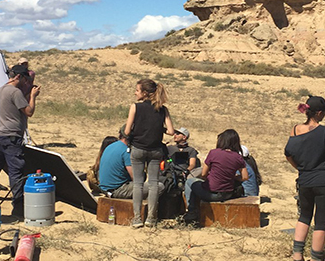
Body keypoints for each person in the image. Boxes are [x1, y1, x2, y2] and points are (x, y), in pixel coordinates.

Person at [285, 96, 325, 261]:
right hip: (323, 180)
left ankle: (297, 255)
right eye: (324, 112)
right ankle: (315, 260)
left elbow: (288, 154)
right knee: (321, 221)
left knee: (304, 216)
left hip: (304, 179)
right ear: (318, 113)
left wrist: (300, 167)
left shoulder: (295, 130)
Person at [0, 64, 40, 217]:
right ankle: (18, 206)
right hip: (12, 137)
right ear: (18, 77)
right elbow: (29, 111)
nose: (26, 83)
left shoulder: (1, 90)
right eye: (25, 79)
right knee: (16, 170)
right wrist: (33, 96)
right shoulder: (15, 92)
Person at [123, 79, 175, 228]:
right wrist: (160, 129)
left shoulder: (135, 107)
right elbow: (171, 131)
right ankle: (151, 218)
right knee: (153, 184)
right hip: (156, 150)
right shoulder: (163, 109)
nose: (135, 93)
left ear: (144, 93)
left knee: (138, 184)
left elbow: (127, 131)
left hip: (138, 149)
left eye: (137, 90)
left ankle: (137, 218)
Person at [182, 129, 248, 226]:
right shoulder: (238, 157)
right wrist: (233, 177)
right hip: (227, 194)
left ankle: (191, 211)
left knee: (190, 182)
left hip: (211, 194)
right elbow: (245, 177)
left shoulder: (213, 153)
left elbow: (204, 174)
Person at [98, 126, 162, 198]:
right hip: (117, 190)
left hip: (105, 189)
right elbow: (136, 178)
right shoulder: (126, 151)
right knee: (159, 187)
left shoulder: (111, 146)